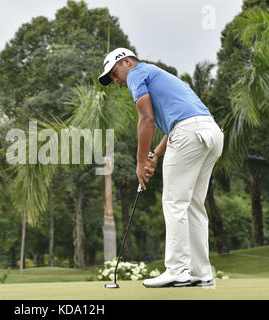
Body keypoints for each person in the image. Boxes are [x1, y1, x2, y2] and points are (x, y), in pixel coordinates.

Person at [98, 48, 224, 288]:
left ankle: (177, 270)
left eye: (115, 73)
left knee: (174, 202)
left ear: (127, 62)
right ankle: (201, 271)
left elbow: (146, 119)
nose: (117, 81)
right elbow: (178, 122)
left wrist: (140, 162)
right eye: (112, 79)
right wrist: (154, 154)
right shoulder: (159, 74)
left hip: (189, 133)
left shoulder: (136, 73)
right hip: (212, 133)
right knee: (193, 205)